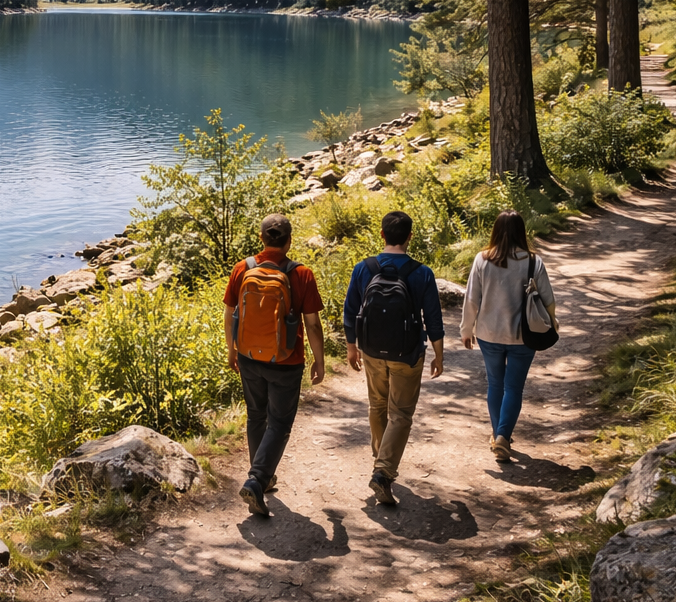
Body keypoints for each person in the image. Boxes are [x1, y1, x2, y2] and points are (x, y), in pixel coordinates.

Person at [223, 214, 326, 517]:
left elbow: (230, 313)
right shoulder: (302, 274)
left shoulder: (242, 268)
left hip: (249, 356)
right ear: (289, 240)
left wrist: (232, 350)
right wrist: (319, 361)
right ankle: (257, 479)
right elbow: (312, 324)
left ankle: (261, 477)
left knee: (256, 416)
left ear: (261, 238)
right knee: (279, 422)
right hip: (286, 360)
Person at [342, 210, 444, 505]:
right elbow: (433, 319)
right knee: (400, 414)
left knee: (377, 405)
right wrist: (439, 354)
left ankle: (380, 458)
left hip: (371, 350)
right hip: (407, 353)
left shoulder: (364, 268)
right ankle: (383, 471)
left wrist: (352, 347)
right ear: (410, 237)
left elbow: (350, 312)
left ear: (382, 235)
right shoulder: (421, 272)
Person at [460, 210, 556, 461]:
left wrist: (466, 329)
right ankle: (502, 436)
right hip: (523, 336)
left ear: (495, 231)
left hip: (489, 334)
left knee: (495, 384)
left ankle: (498, 435)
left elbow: (472, 299)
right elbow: (548, 300)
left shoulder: (482, 260)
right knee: (513, 387)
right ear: (521, 232)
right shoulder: (533, 262)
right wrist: (553, 323)